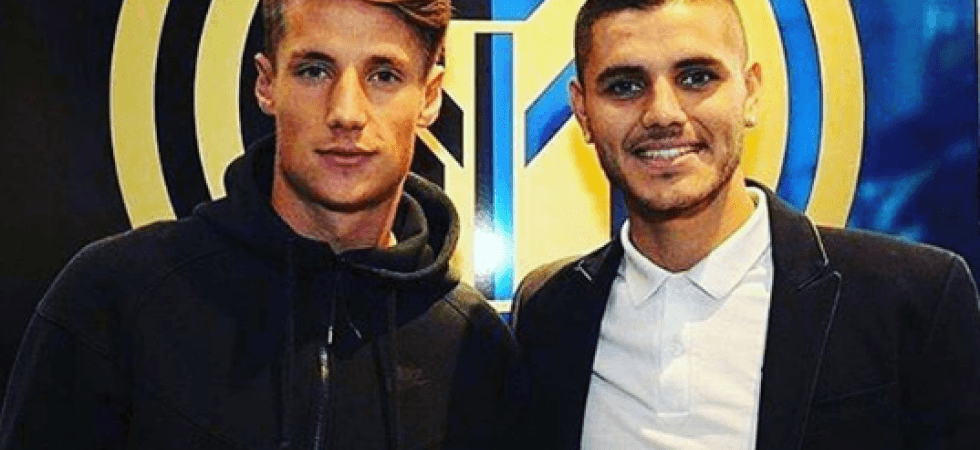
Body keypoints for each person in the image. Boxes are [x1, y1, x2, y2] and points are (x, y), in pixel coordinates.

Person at [0, 0, 518, 448]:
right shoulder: (114, 296)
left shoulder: (474, 348)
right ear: (267, 84)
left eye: (383, 75)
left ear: (430, 96)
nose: (346, 112)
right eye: (314, 70)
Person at [510, 0, 980, 449]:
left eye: (696, 77)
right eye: (625, 86)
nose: (663, 114)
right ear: (583, 111)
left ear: (751, 92)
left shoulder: (914, 299)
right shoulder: (550, 312)